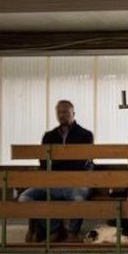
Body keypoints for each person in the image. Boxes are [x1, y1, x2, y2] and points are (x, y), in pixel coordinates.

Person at [19, 99, 94, 243]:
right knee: (25, 198)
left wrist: (56, 163)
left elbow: (80, 163)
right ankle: (54, 228)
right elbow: (43, 162)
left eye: (65, 112)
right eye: (59, 112)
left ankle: (72, 232)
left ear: (73, 113)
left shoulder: (85, 135)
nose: (62, 115)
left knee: (78, 199)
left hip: (76, 182)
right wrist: (68, 160)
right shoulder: (49, 136)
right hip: (52, 182)